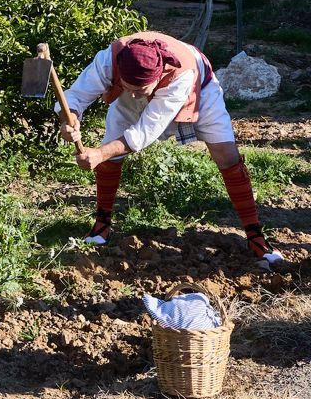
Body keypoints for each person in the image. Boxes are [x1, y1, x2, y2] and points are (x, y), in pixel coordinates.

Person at [60, 29, 284, 264]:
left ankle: (255, 236)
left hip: (200, 88)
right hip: (135, 87)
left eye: (141, 91)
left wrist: (99, 153)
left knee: (227, 156)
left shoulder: (181, 75)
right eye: (130, 87)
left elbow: (145, 131)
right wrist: (69, 120)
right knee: (112, 153)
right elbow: (76, 96)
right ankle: (101, 225)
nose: (136, 97)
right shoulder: (109, 59)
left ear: (158, 76)